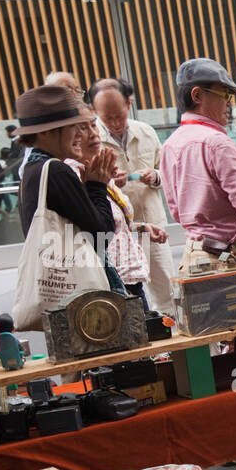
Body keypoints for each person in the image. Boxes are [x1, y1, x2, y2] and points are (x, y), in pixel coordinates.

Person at [13, 84, 124, 295]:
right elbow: (102, 234)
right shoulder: (55, 171)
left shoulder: (33, 170)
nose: (79, 134)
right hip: (81, 298)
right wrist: (96, 185)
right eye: (74, 127)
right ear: (46, 133)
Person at [159, 58, 236, 273]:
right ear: (197, 95)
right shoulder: (218, 144)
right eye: (225, 95)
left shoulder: (170, 144)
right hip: (227, 260)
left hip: (192, 256)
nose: (230, 103)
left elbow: (177, 212)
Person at [92, 78, 176, 313]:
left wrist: (155, 176)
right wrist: (107, 183)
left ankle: (172, 345)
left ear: (129, 104)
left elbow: (167, 175)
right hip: (117, 237)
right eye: (107, 118)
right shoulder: (91, 140)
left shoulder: (146, 131)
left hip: (153, 228)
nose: (116, 123)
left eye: (119, 115)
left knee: (166, 292)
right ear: (94, 112)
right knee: (130, 300)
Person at [65, 122, 165, 308]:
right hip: (109, 283)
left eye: (93, 125)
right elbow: (95, 229)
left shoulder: (97, 171)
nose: (94, 134)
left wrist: (141, 227)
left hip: (127, 279)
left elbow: (111, 222)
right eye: (82, 128)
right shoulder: (74, 174)